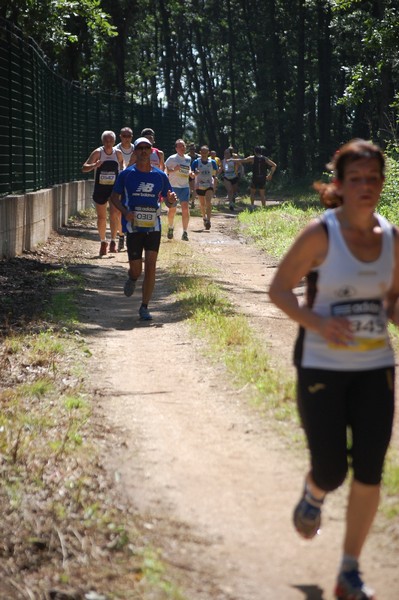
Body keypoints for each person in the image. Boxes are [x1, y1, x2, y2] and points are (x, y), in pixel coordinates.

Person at [268, 139, 399, 600]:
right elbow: (279, 290)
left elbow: (394, 299)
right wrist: (320, 321)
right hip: (321, 364)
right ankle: (314, 491)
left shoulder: (392, 238)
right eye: (356, 179)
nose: (366, 187)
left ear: (382, 184)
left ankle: (349, 571)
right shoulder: (320, 234)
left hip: (376, 367)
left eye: (373, 178)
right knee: (331, 470)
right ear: (340, 186)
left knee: (370, 471)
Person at [110, 137, 177, 321]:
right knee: (136, 269)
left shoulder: (160, 176)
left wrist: (171, 199)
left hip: (153, 226)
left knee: (151, 265)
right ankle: (132, 278)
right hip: (133, 227)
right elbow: (114, 197)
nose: (144, 151)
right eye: (140, 148)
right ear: (135, 152)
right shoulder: (126, 175)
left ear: (151, 151)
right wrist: (125, 212)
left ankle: (145, 306)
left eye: (147, 148)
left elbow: (169, 200)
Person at [82, 131, 124, 256]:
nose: (108, 143)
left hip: (114, 189)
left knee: (114, 215)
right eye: (106, 140)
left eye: (110, 140)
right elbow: (84, 168)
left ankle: (113, 241)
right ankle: (102, 242)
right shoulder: (97, 152)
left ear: (114, 141)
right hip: (100, 188)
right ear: (102, 141)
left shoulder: (118, 153)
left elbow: (122, 167)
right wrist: (94, 165)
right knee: (101, 217)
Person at [164, 139, 193, 241]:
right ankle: (171, 227)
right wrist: (174, 169)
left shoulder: (188, 158)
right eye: (180, 146)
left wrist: (190, 173)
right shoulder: (172, 158)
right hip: (173, 187)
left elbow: (187, 168)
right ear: (176, 148)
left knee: (185, 209)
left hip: (185, 187)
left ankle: (185, 232)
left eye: (184, 146)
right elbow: (165, 170)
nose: (182, 148)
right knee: (172, 210)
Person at [237, 146, 277, 210]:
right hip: (262, 178)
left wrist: (232, 160)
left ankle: (252, 206)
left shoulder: (252, 158)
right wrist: (270, 175)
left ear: (255, 151)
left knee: (252, 192)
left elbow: (243, 160)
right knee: (262, 194)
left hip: (255, 178)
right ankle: (264, 208)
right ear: (261, 151)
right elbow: (274, 165)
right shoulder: (265, 158)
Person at [114, 127, 134, 251]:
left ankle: (130, 235)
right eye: (124, 136)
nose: (127, 138)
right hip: (119, 182)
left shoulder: (136, 149)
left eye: (129, 136)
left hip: (132, 183)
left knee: (131, 209)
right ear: (120, 136)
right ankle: (121, 235)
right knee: (118, 211)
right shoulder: (116, 150)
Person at [191, 146, 219, 230]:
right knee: (202, 204)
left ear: (208, 153)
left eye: (205, 152)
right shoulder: (196, 162)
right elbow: (192, 173)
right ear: (200, 152)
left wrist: (215, 181)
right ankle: (204, 217)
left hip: (209, 185)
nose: (203, 154)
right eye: (202, 152)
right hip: (199, 185)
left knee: (208, 202)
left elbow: (215, 173)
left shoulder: (212, 162)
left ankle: (209, 221)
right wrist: (195, 173)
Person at [221, 147, 239, 211]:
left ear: (230, 154)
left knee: (234, 191)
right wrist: (216, 175)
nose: (226, 154)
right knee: (229, 190)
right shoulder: (223, 161)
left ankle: (233, 198)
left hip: (234, 176)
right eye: (225, 153)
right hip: (226, 177)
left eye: (227, 153)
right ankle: (230, 204)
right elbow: (221, 169)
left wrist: (237, 172)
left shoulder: (233, 159)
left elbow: (237, 166)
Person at [188, 143, 200, 208]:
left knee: (194, 188)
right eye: (191, 149)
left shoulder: (198, 157)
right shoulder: (186, 156)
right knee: (190, 189)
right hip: (188, 173)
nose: (192, 150)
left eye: (193, 149)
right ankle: (190, 199)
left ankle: (193, 202)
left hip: (196, 173)